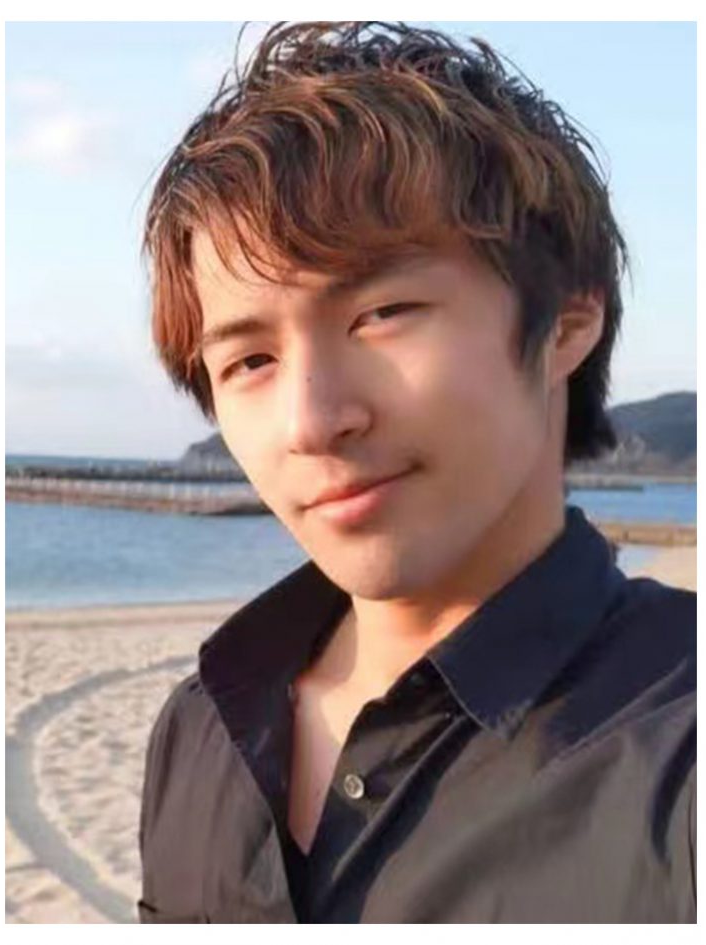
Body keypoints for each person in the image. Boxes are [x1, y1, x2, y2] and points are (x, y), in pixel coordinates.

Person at [137, 21, 695, 923]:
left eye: (383, 312)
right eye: (249, 361)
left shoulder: (673, 748)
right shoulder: (200, 727)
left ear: (566, 323)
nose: (311, 421)